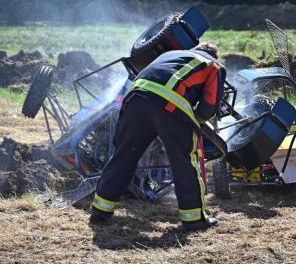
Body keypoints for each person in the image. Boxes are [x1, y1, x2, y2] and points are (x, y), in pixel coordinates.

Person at [89, 42, 226, 232]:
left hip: (135, 100)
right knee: (184, 161)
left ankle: (100, 211)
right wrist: (197, 120)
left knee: (124, 156)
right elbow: (208, 106)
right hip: (169, 104)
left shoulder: (171, 55)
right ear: (214, 55)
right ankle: (194, 218)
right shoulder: (213, 65)